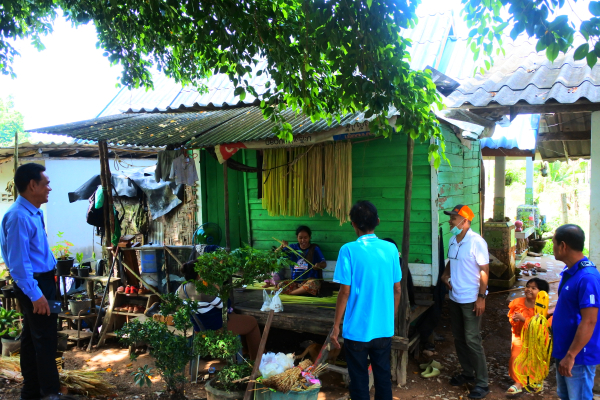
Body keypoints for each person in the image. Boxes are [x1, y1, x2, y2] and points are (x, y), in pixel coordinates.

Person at [0, 163, 67, 400]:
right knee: (46, 340)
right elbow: (18, 263)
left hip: (43, 282)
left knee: (32, 338)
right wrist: (36, 294)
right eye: (46, 183)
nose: (49, 187)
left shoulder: (32, 212)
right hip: (35, 285)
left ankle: (31, 392)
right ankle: (50, 393)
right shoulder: (18, 217)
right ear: (32, 185)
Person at [331, 201, 401, 400]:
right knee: (383, 377)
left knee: (359, 379)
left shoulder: (348, 250)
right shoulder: (390, 249)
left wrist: (336, 325)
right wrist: (390, 316)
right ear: (377, 221)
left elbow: (344, 292)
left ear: (353, 224)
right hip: (383, 329)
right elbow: (397, 289)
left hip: (356, 331)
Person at [440, 204, 490, 399]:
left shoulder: (477, 242)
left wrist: (481, 297)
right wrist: (445, 276)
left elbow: (484, 270)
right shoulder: (453, 240)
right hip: (455, 297)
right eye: (451, 217)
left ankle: (483, 383)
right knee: (459, 338)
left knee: (472, 339)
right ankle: (467, 373)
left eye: (454, 218)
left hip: (471, 298)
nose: (450, 221)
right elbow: (452, 261)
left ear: (465, 220)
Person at [551, 224, 600, 400]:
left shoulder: (588, 277)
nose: (553, 246)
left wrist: (571, 355)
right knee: (565, 395)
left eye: (554, 242)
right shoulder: (570, 272)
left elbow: (589, 321)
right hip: (564, 349)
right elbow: (569, 305)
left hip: (577, 355)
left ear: (563, 246)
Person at [176, 261, 261, 359]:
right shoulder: (204, 289)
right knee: (252, 322)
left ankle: (245, 352)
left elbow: (179, 307)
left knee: (235, 316)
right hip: (216, 329)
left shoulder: (181, 288)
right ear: (199, 275)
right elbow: (225, 305)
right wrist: (218, 289)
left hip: (198, 329)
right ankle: (257, 361)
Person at [506, 277, 550, 395]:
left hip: (536, 337)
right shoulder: (518, 302)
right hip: (519, 335)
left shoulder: (542, 307)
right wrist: (514, 319)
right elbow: (511, 317)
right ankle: (518, 383)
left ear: (541, 293)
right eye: (528, 286)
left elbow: (540, 325)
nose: (529, 289)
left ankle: (534, 379)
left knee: (535, 358)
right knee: (516, 357)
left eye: (533, 288)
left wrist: (524, 319)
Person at [274, 226, 327, 296]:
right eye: (300, 238)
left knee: (313, 284)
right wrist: (281, 247)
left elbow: (324, 264)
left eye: (305, 238)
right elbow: (275, 255)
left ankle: (292, 293)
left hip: (309, 281)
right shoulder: (292, 248)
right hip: (295, 282)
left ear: (310, 237)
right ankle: (300, 291)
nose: (303, 240)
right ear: (297, 237)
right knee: (281, 285)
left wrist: (319, 265)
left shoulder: (315, 248)